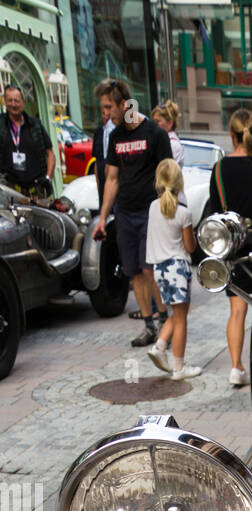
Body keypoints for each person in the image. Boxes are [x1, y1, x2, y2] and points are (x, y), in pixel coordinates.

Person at [93, 80, 171, 347]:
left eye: (108, 107)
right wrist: (104, 217)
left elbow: (167, 175)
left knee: (151, 270)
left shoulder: (154, 133)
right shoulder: (115, 137)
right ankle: (149, 326)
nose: (105, 113)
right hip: (125, 214)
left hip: (151, 212)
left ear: (124, 105)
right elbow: (111, 179)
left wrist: (167, 212)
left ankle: (165, 322)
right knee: (134, 272)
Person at [209, 108, 252, 387]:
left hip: (234, 244)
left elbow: (216, 211)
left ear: (231, 134)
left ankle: (236, 367)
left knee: (237, 309)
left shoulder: (219, 169)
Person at [144, 159, 199, 380]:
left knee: (177, 314)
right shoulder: (183, 213)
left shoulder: (152, 207)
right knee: (181, 318)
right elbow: (189, 247)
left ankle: (160, 346)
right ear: (179, 182)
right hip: (177, 267)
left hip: (159, 269)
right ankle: (178, 367)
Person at [0, 84, 55, 195]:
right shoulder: (1, 124)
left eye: (17, 100)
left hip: (36, 189)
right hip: (8, 189)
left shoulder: (35, 124)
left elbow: (50, 154)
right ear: (5, 101)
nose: (13, 104)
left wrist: (48, 177)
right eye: (10, 100)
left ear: (23, 102)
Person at [91, 81, 115, 205]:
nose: (105, 113)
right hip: (104, 194)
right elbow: (97, 163)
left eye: (108, 107)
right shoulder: (100, 131)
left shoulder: (125, 132)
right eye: (102, 108)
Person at [152, 101, 183, 165]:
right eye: (153, 121)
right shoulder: (158, 140)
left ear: (170, 123)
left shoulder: (173, 145)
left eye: (157, 121)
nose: (154, 125)